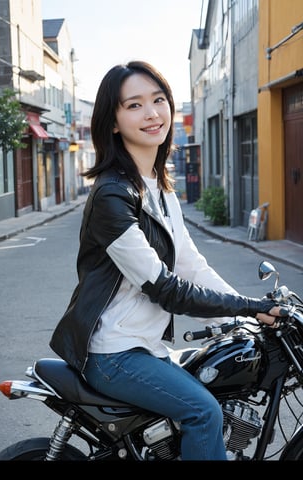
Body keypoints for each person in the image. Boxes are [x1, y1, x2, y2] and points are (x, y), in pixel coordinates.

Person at [50, 60, 284, 461]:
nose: (152, 113)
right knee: (202, 411)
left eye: (158, 100)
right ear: (113, 121)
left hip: (145, 346)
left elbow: (192, 265)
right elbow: (165, 288)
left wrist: (242, 318)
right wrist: (250, 307)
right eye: (135, 105)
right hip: (113, 352)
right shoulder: (112, 196)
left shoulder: (159, 188)